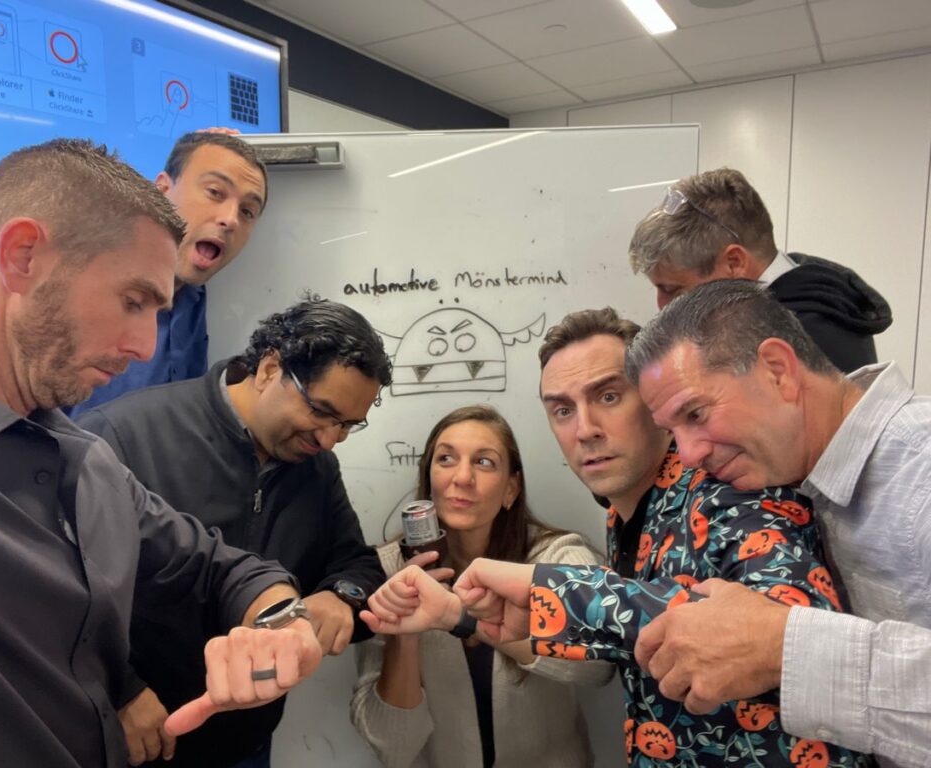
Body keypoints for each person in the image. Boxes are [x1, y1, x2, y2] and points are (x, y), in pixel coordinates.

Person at [0, 139, 322, 768]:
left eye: (157, 311)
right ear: (23, 256)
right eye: (132, 302)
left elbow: (221, 569)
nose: (144, 347)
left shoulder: (89, 462)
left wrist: (283, 625)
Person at [370, 309, 871, 766]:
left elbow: (799, 633)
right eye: (562, 410)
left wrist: (552, 596)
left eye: (608, 397)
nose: (585, 429)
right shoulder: (626, 517)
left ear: (654, 404)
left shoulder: (724, 488)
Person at [622, 279, 931, 768]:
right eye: (672, 433)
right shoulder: (799, 478)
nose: (688, 455)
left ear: (778, 370)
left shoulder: (921, 468)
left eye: (696, 413)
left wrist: (785, 649)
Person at [77, 297, 390, 767]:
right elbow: (58, 593)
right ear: (268, 369)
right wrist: (117, 690)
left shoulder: (316, 468)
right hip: (138, 742)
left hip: (247, 745)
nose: (329, 439)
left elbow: (357, 564)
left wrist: (339, 596)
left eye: (347, 425)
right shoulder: (120, 436)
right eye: (322, 412)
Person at [351, 404, 613, 768]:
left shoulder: (556, 556)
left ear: (511, 489)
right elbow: (392, 746)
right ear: (429, 480)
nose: (462, 478)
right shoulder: (387, 570)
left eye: (484, 462)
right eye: (446, 459)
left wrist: (463, 618)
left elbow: (598, 665)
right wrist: (404, 633)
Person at [68, 130, 267, 417]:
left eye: (247, 211)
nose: (231, 219)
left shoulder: (194, 293)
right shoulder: (84, 284)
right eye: (214, 192)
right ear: (161, 191)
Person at [628, 167, 891, 372]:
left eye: (672, 289)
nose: (662, 304)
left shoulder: (806, 337)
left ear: (734, 263)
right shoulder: (805, 300)